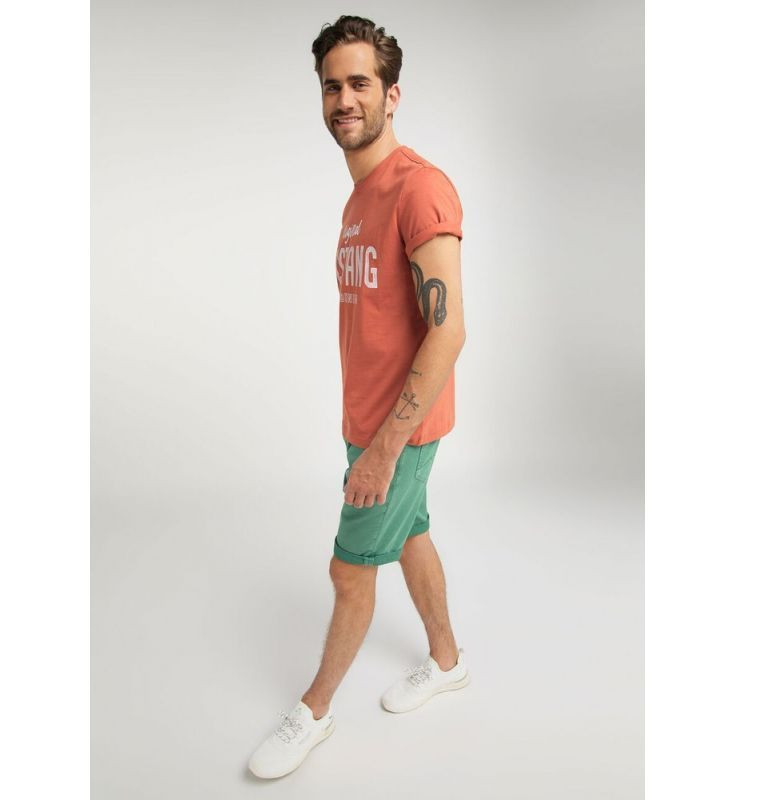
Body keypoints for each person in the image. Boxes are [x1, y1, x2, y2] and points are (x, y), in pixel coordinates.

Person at [248, 15, 470, 780]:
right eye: (331, 86)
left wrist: (381, 451)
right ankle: (447, 661)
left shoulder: (420, 189)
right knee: (410, 537)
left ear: (392, 94)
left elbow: (448, 331)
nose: (344, 99)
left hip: (395, 435)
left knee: (350, 572)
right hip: (368, 421)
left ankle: (312, 712)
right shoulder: (359, 199)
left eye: (360, 84)